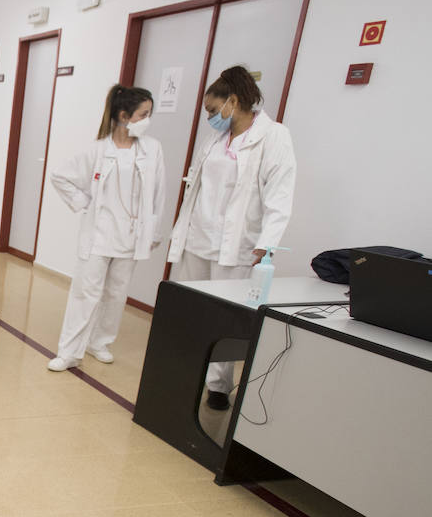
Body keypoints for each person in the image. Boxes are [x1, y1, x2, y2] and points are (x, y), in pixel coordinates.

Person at [166, 65, 297, 409]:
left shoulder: (274, 136)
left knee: (225, 318)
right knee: (193, 312)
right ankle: (187, 372)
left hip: (237, 246)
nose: (210, 117)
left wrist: (266, 244)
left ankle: (218, 386)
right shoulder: (216, 139)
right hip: (198, 240)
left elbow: (280, 194)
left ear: (234, 101)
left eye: (213, 110)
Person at [46, 85, 168, 371]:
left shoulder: (153, 149)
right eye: (143, 114)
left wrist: (154, 231)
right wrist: (84, 203)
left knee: (116, 294)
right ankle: (69, 351)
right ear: (124, 116)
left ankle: (99, 342)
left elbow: (159, 193)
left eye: (149, 114)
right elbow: (60, 176)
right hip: (99, 236)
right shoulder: (97, 149)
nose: (147, 120)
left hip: (130, 237)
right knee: (85, 293)